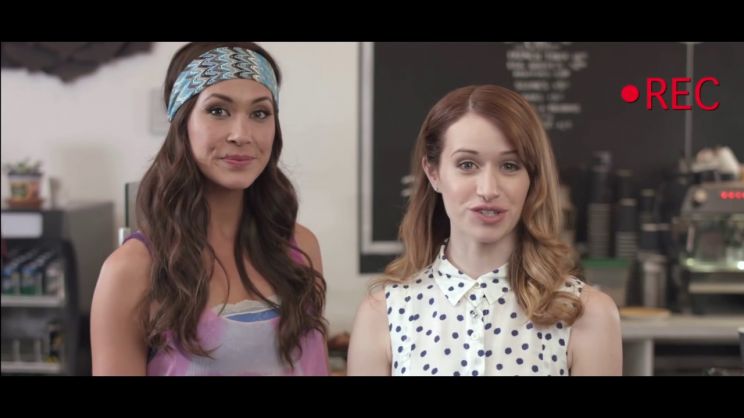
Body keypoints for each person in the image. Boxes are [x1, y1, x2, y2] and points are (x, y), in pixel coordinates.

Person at [347, 85, 621, 376]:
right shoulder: (382, 315)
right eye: (467, 164)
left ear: (532, 178)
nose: (488, 189)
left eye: (510, 165)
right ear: (433, 173)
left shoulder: (587, 313)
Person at [91, 42, 328, 376]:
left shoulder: (300, 248)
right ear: (182, 122)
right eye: (218, 110)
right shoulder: (131, 271)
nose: (241, 134)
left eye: (260, 113)